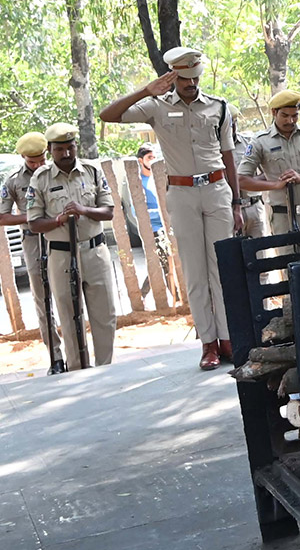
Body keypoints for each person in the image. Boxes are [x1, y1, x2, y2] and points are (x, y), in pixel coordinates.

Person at [99, 46, 243, 371]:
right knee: (194, 272)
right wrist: (145, 90)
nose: (191, 84)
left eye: (195, 77)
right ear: (173, 76)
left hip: (217, 189)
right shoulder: (155, 107)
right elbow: (108, 115)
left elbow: (229, 156)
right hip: (182, 192)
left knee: (221, 268)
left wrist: (237, 202)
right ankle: (208, 344)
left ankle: (227, 338)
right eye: (185, 78)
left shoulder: (219, 108)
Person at [25, 123, 117, 370]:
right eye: (60, 149)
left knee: (105, 315)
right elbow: (34, 224)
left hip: (95, 251)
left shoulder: (92, 171)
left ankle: (106, 369)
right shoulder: (41, 178)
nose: (66, 154)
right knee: (69, 316)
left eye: (70, 148)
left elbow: (108, 211)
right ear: (51, 150)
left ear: (75, 147)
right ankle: (77, 370)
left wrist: (83, 210)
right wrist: (58, 220)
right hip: (61, 255)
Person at [238, 90, 300, 248]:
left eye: (295, 115)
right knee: (289, 266)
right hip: (282, 217)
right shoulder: (260, 142)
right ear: (274, 112)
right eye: (285, 115)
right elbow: (242, 180)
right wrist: (275, 185)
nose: (290, 121)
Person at [0, 132, 64, 374]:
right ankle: (55, 356)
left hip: (61, 237)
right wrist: (32, 217)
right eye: (31, 161)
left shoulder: (58, 172)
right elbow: (2, 216)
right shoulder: (13, 181)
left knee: (68, 294)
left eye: (40, 160)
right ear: (23, 157)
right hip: (33, 241)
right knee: (43, 299)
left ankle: (78, 351)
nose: (37, 165)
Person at [134, 145, 174, 299]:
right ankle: (174, 294)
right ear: (140, 160)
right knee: (162, 262)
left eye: (154, 157)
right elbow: (137, 211)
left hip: (168, 226)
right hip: (154, 229)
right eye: (149, 158)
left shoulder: (158, 178)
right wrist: (160, 213)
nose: (153, 160)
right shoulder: (139, 183)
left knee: (161, 263)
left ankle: (142, 294)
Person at [230, 120, 266, 237]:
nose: (230, 127)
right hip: (229, 210)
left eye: (232, 123)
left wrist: (247, 182)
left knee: (260, 252)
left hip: (254, 206)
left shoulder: (250, 142)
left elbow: (269, 173)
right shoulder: (212, 148)